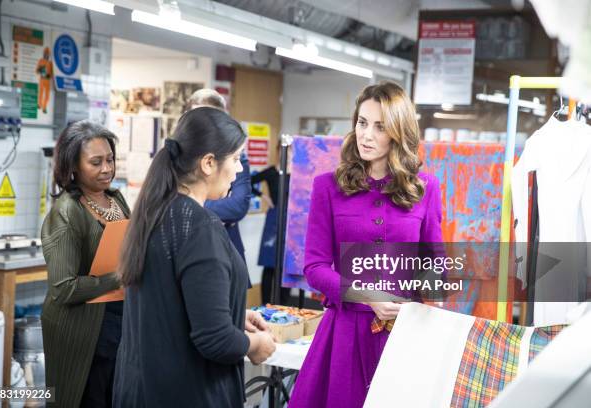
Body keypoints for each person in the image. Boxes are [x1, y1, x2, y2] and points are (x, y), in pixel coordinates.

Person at [288, 82, 444, 408]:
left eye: (380, 126)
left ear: (398, 132)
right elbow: (314, 268)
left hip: (403, 333)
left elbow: (436, 261)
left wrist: (425, 293)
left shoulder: (425, 188)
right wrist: (368, 296)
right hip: (343, 334)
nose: (366, 135)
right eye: (361, 122)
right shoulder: (327, 187)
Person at [113, 107, 276, 407]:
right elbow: (215, 341)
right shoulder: (200, 227)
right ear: (209, 163)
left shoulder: (156, 211)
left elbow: (169, 305)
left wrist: (231, 314)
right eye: (237, 159)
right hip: (186, 392)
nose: (240, 170)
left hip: (141, 388)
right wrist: (255, 344)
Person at [41, 120, 129, 408]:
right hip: (82, 332)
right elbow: (63, 288)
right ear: (73, 167)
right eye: (96, 162)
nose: (107, 168)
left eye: (110, 159)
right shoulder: (67, 213)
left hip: (116, 322)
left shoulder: (116, 199)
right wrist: (117, 277)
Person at [188, 88, 252, 262]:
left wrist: (190, 204)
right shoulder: (176, 155)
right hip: (187, 251)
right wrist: (216, 204)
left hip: (227, 251)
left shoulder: (236, 157)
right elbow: (167, 201)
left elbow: (238, 206)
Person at [251, 145, 291, 304]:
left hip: (292, 221)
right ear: (279, 152)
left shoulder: (298, 173)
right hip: (274, 219)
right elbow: (249, 181)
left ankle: (285, 305)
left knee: (287, 265)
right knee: (269, 264)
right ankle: (265, 304)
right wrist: (263, 197)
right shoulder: (272, 172)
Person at [35, 47, 53, 114]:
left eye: (48, 54)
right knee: (40, 93)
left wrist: (49, 76)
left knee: (47, 96)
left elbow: (52, 73)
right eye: (45, 53)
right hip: (42, 80)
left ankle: (44, 107)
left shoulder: (50, 63)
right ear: (43, 54)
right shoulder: (40, 61)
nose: (46, 55)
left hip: (47, 81)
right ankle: (39, 105)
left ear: (49, 55)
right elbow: (36, 71)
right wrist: (39, 70)